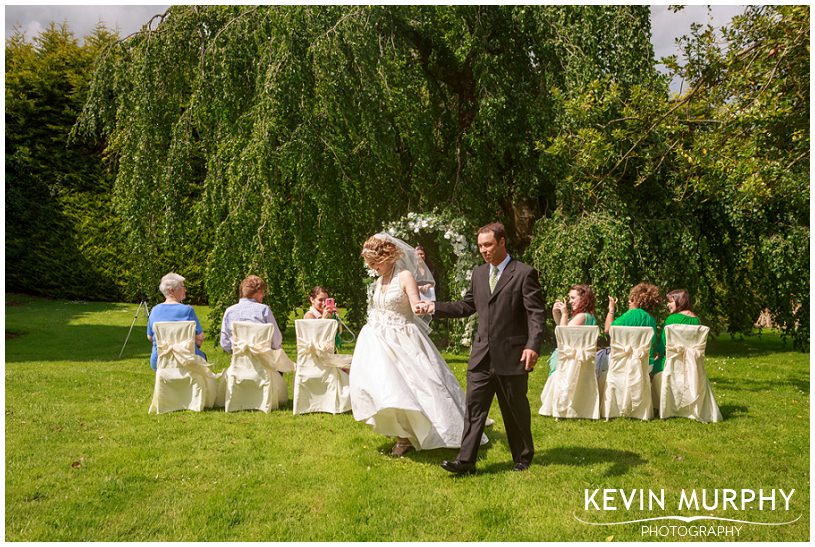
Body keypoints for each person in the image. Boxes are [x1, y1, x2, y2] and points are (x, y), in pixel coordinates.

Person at [418, 222, 546, 473]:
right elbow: (467, 306)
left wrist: (533, 345)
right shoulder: (478, 274)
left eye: (488, 245)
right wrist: (434, 308)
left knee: (515, 408)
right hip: (481, 356)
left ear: (502, 242)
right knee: (474, 409)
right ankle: (466, 461)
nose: (484, 250)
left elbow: (535, 314)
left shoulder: (523, 273)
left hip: (512, 354)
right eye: (480, 246)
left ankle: (523, 456)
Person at [349, 233, 480, 458]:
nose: (372, 268)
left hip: (403, 339)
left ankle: (437, 429)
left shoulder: (405, 276)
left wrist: (422, 307)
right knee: (386, 388)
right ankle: (402, 433)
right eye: (370, 264)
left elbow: (415, 304)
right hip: (378, 342)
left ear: (387, 256)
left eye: (374, 263)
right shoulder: (379, 279)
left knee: (417, 386)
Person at [147, 272, 207, 371]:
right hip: (186, 360)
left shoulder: (154, 310)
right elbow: (199, 338)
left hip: (159, 361)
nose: (185, 290)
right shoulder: (187, 311)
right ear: (171, 290)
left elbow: (150, 337)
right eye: (183, 287)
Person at [603, 282, 661, 370]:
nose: (629, 301)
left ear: (636, 299)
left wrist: (611, 309)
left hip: (625, 363)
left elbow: (608, 329)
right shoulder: (652, 320)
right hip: (646, 365)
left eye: (632, 298)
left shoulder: (631, 314)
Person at [220, 275, 283, 354]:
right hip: (263, 361)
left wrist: (237, 352)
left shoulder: (229, 311)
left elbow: (225, 343)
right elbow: (276, 340)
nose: (263, 296)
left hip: (239, 362)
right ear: (258, 293)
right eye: (262, 292)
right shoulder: (264, 310)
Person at [547, 284, 598, 377]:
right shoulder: (585, 315)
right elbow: (561, 326)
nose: (570, 301)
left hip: (569, 363)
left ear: (583, 298)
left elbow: (563, 335)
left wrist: (565, 314)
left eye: (573, 298)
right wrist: (556, 312)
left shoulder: (582, 317)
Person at [653, 288, 700, 374]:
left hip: (670, 363)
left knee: (649, 368)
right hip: (690, 364)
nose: (667, 304)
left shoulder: (672, 319)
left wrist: (656, 353)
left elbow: (663, 343)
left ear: (679, 301)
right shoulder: (697, 320)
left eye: (670, 302)